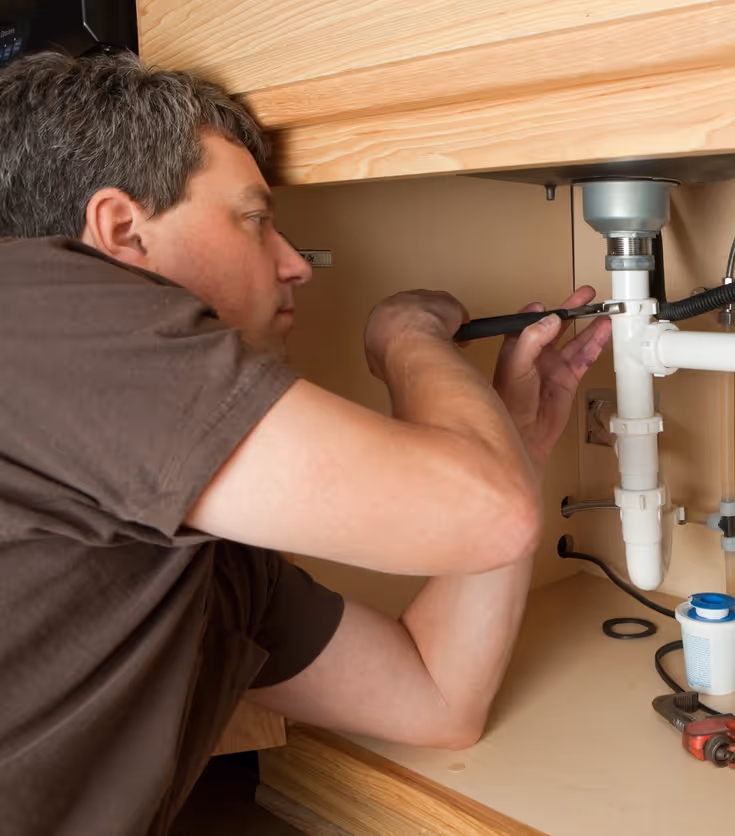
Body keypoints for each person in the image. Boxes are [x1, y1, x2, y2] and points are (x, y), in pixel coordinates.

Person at [0, 51, 613, 835]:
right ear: (120, 231)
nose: (294, 265)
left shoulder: (202, 547)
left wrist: (514, 453)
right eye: (256, 220)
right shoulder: (31, 315)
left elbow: (437, 698)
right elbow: (485, 514)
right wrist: (406, 336)